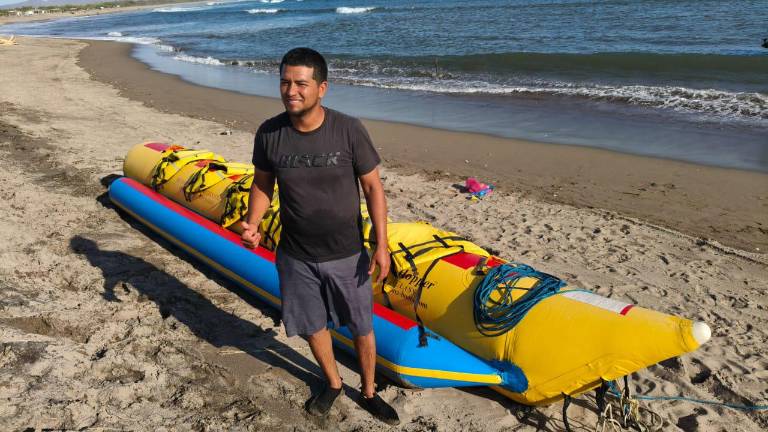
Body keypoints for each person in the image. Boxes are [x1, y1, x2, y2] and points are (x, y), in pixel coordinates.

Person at [240, 47, 399, 425]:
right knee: (312, 325)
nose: (291, 91)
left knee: (361, 327)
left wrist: (381, 244)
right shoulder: (270, 133)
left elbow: (373, 188)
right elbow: (262, 184)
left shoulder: (348, 129)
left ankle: (369, 391)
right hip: (296, 255)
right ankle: (333, 383)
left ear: (322, 88)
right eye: (285, 82)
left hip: (347, 254)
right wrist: (252, 223)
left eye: (301, 83)